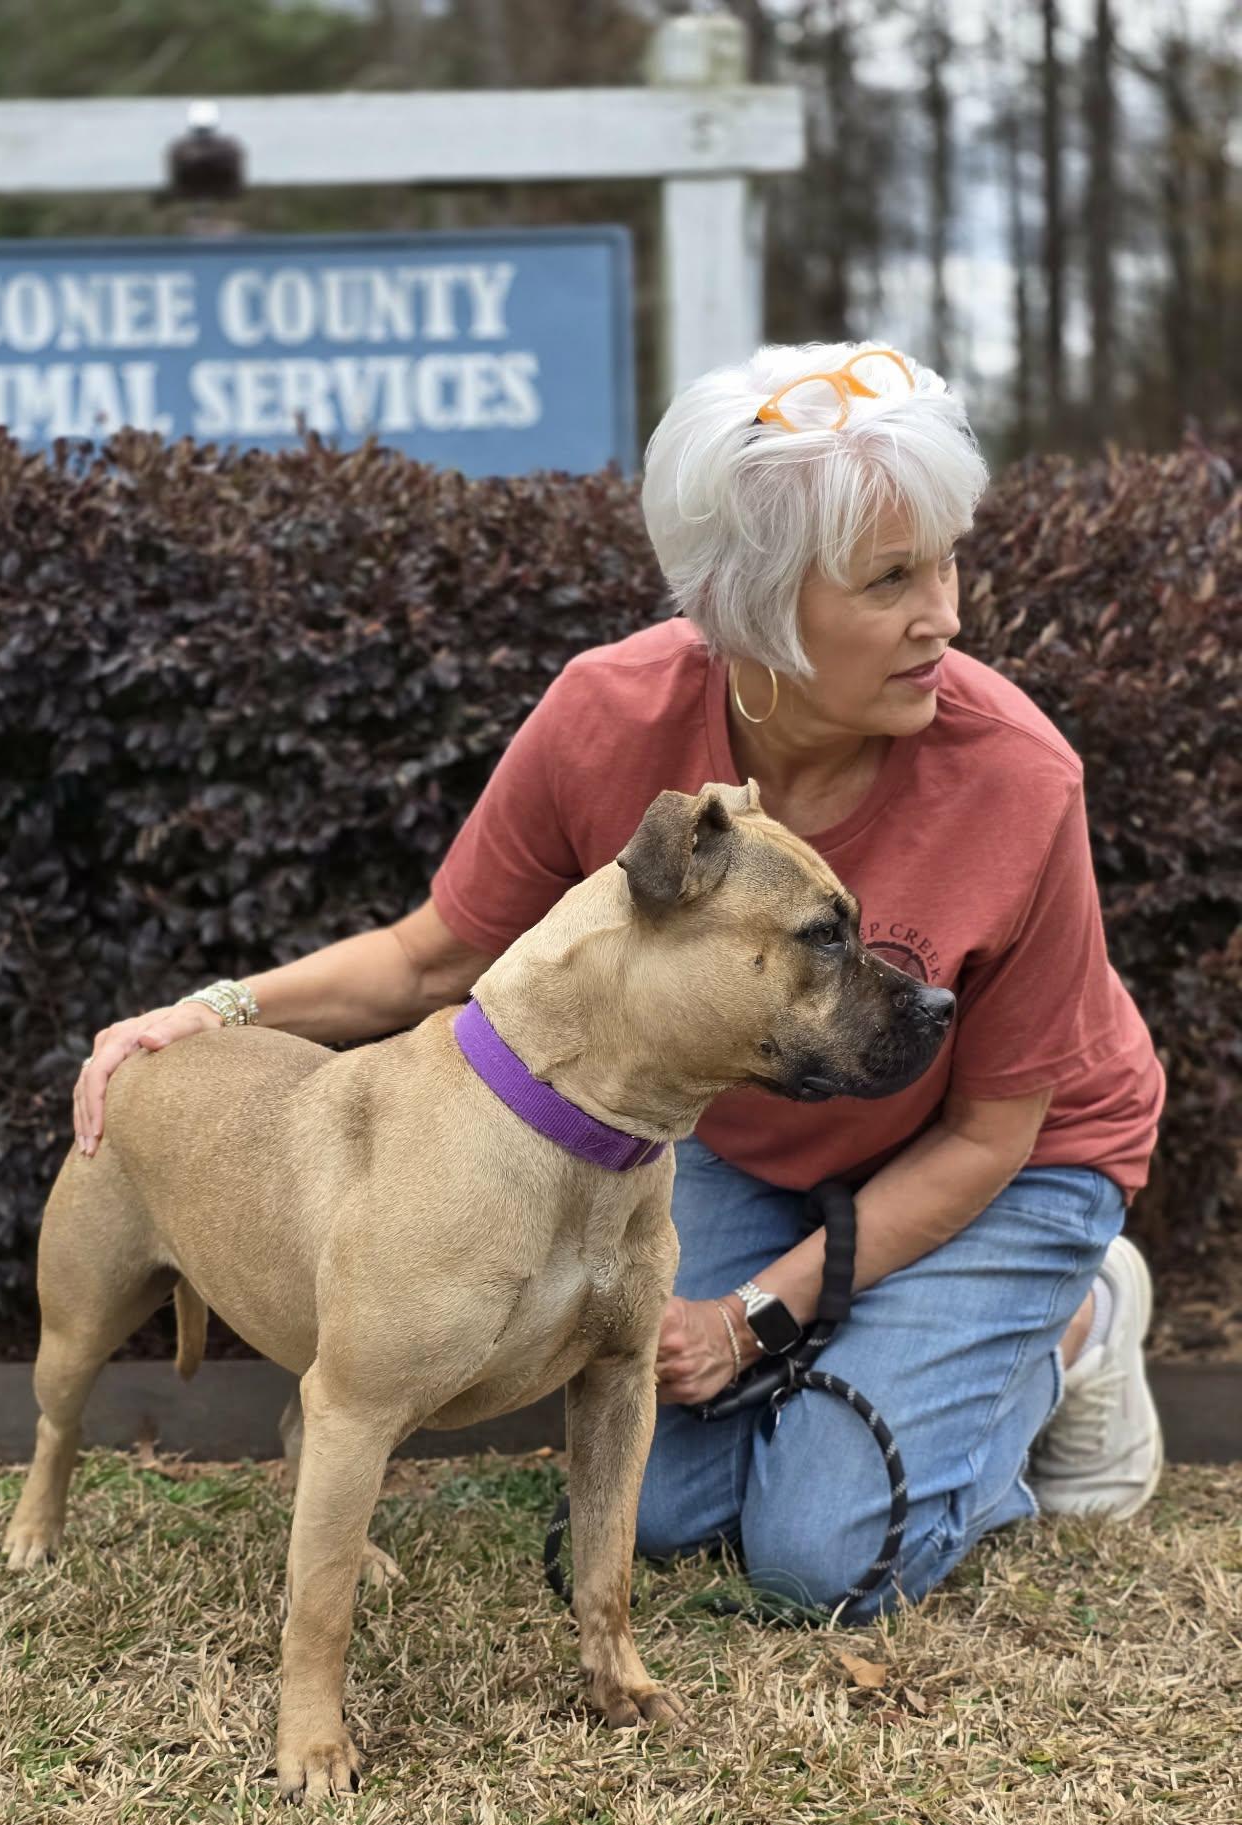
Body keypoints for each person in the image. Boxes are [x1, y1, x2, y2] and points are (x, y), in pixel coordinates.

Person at [72, 339, 1166, 1622]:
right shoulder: (610, 715)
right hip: (749, 1144)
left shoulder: (1019, 777)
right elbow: (437, 952)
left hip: (1006, 1167)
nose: (948, 613)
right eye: (892, 579)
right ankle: (888, 1374)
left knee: (814, 1556)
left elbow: (992, 1131)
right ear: (757, 599)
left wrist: (759, 1315)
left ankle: (1072, 1327)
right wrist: (211, 1011)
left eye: (946, 558)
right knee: (657, 1514)